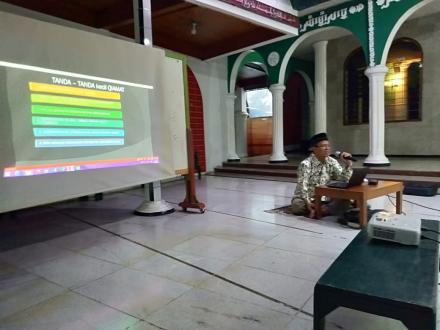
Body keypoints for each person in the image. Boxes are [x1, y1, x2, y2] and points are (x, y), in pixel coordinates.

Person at [291, 132, 353, 218]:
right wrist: (308, 202)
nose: (327, 148)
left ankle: (320, 210)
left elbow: (342, 179)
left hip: (325, 197)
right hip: (307, 197)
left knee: (346, 199)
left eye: (328, 146)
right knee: (297, 207)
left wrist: (347, 165)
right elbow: (303, 186)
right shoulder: (305, 164)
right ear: (314, 148)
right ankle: (324, 209)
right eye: (323, 146)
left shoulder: (332, 161)